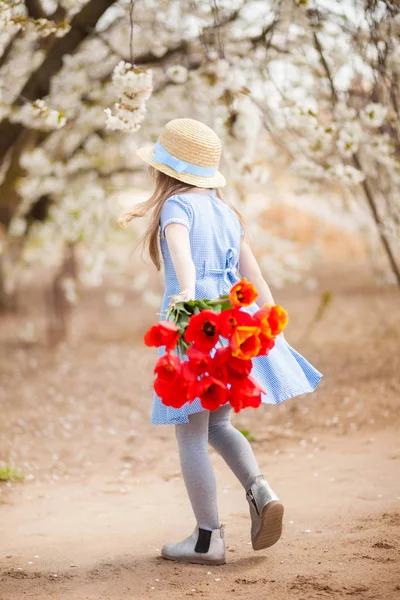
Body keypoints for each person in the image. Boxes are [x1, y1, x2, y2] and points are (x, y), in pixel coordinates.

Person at [120, 118, 322, 566]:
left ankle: (207, 539)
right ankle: (260, 490)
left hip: (196, 325)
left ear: (165, 172)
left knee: (190, 435)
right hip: (234, 327)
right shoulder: (228, 213)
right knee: (219, 425)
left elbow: (183, 264)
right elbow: (257, 277)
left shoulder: (176, 209)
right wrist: (271, 324)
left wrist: (185, 299)